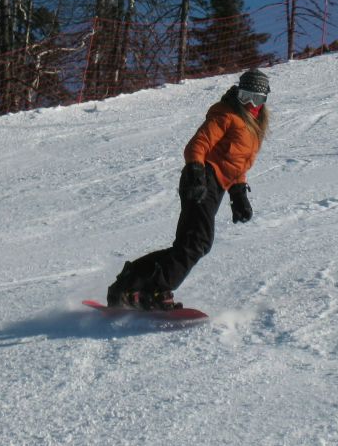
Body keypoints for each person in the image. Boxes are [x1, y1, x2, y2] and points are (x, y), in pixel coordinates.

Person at [106, 68, 271, 309]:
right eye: (246, 95)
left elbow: (235, 162)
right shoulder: (225, 114)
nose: (250, 103)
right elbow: (198, 144)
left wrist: (239, 194)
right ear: (238, 93)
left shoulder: (253, 127)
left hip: (216, 184)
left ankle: (131, 283)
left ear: (265, 100)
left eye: (257, 98)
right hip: (202, 179)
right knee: (197, 243)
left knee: (190, 244)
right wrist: (196, 172)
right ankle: (150, 288)